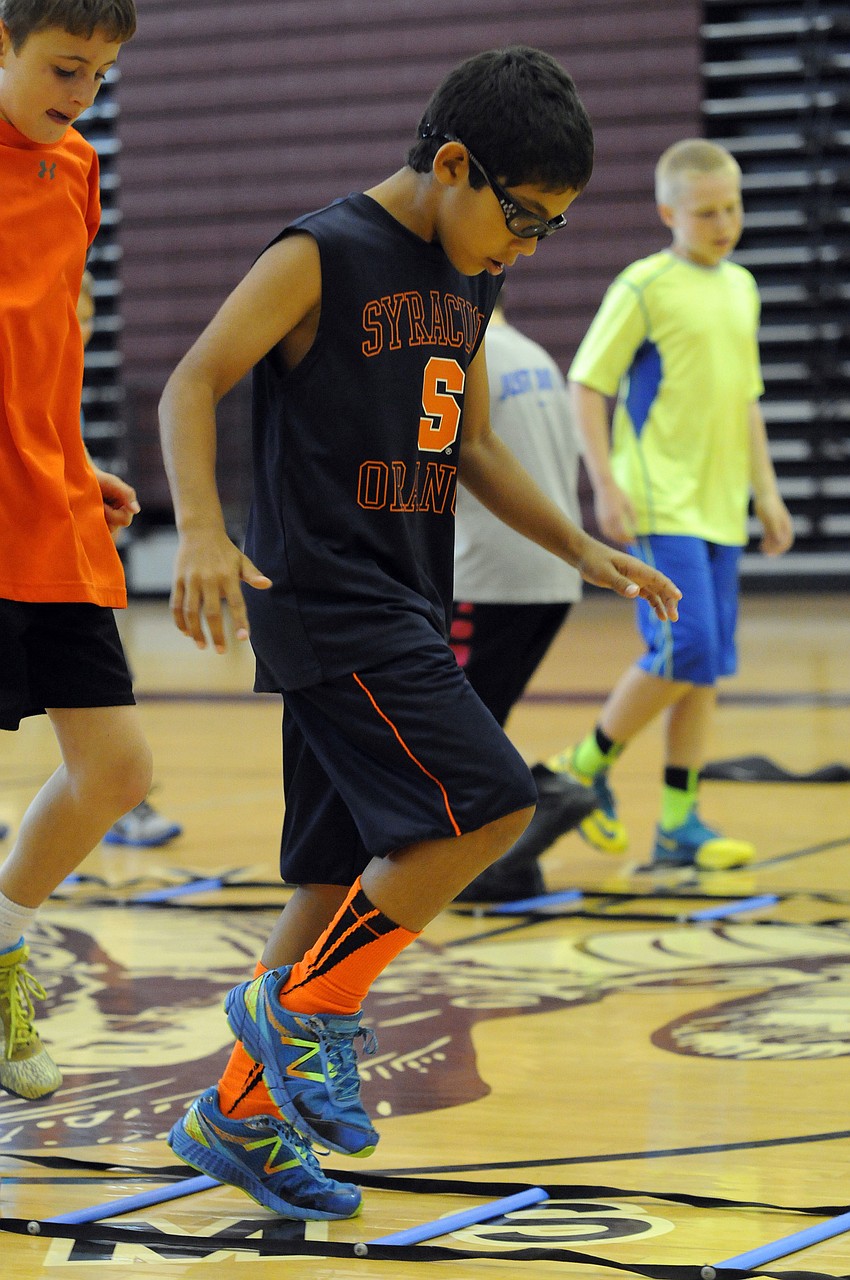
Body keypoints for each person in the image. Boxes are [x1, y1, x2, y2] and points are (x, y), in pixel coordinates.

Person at [158, 46, 681, 1221]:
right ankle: (308, 1011)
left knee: (330, 875)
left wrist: (579, 546)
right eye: (525, 219)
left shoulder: (467, 275)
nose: (529, 247)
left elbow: (474, 446)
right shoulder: (319, 253)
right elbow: (192, 380)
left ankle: (235, 1111)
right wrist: (195, 528)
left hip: (402, 590)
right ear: (453, 164)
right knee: (491, 800)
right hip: (324, 593)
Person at [547, 138, 794, 870]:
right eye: (708, 211)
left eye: (734, 207)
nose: (725, 223)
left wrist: (768, 493)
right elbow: (587, 385)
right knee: (682, 647)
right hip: (659, 500)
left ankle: (679, 822)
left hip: (720, 506)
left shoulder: (741, 288)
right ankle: (582, 767)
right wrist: (607, 484)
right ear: (667, 213)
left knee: (706, 663)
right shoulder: (643, 287)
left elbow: (746, 401)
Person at [0, 0, 151, 1102]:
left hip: (45, 499)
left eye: (96, 74)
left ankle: (0, 940)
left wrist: (70, 447)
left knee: (118, 770)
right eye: (61, 66)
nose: (78, 92)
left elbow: (55, 323)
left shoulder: (78, 168)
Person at [450, 295, 595, 902]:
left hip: (487, 574)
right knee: (480, 722)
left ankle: (542, 798)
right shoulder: (537, 356)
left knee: (452, 730)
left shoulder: (463, 359)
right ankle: (506, 861)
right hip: (553, 574)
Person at [76, 270, 183, 849]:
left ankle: (126, 807)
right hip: (23, 564)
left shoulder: (57, 373)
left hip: (63, 566)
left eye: (89, 311)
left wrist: (88, 482)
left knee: (107, 691)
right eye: (74, 308)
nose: (83, 324)